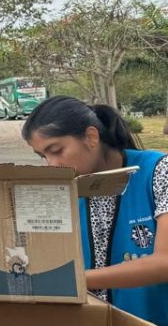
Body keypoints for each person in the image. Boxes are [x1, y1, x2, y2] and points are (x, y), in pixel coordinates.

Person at [23, 96, 168, 324]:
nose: (51, 164)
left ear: (91, 137)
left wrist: (74, 280)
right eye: (43, 156)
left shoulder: (158, 171)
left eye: (56, 150)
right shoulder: (64, 191)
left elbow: (164, 262)